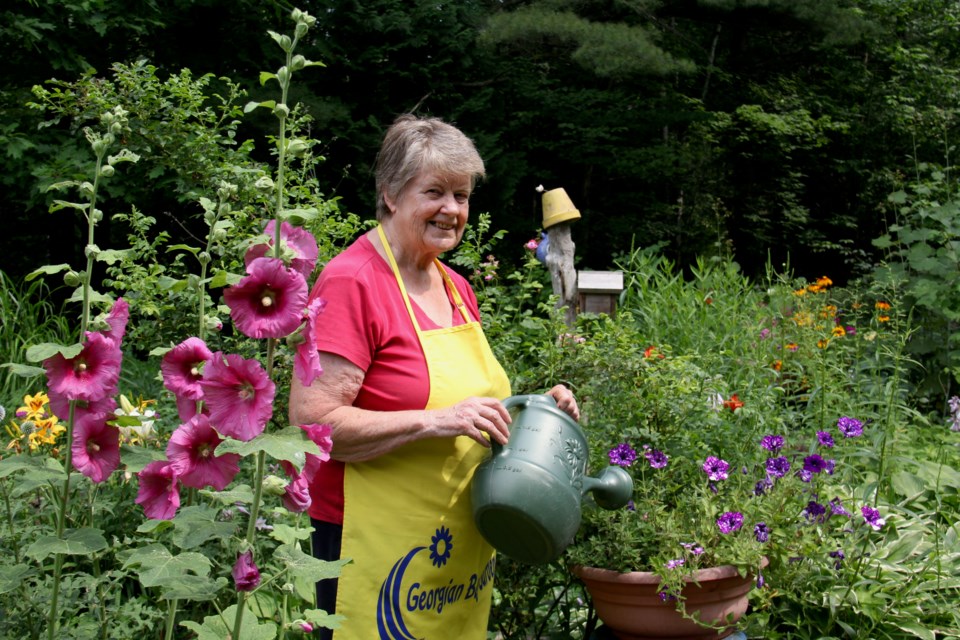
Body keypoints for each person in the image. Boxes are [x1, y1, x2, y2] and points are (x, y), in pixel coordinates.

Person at [288, 114, 579, 640]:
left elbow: (472, 407)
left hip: (453, 550)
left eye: (462, 196)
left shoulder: (454, 286)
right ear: (391, 195)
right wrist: (434, 421)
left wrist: (538, 406)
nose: (452, 210)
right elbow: (314, 425)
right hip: (370, 543)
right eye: (435, 192)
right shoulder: (353, 281)